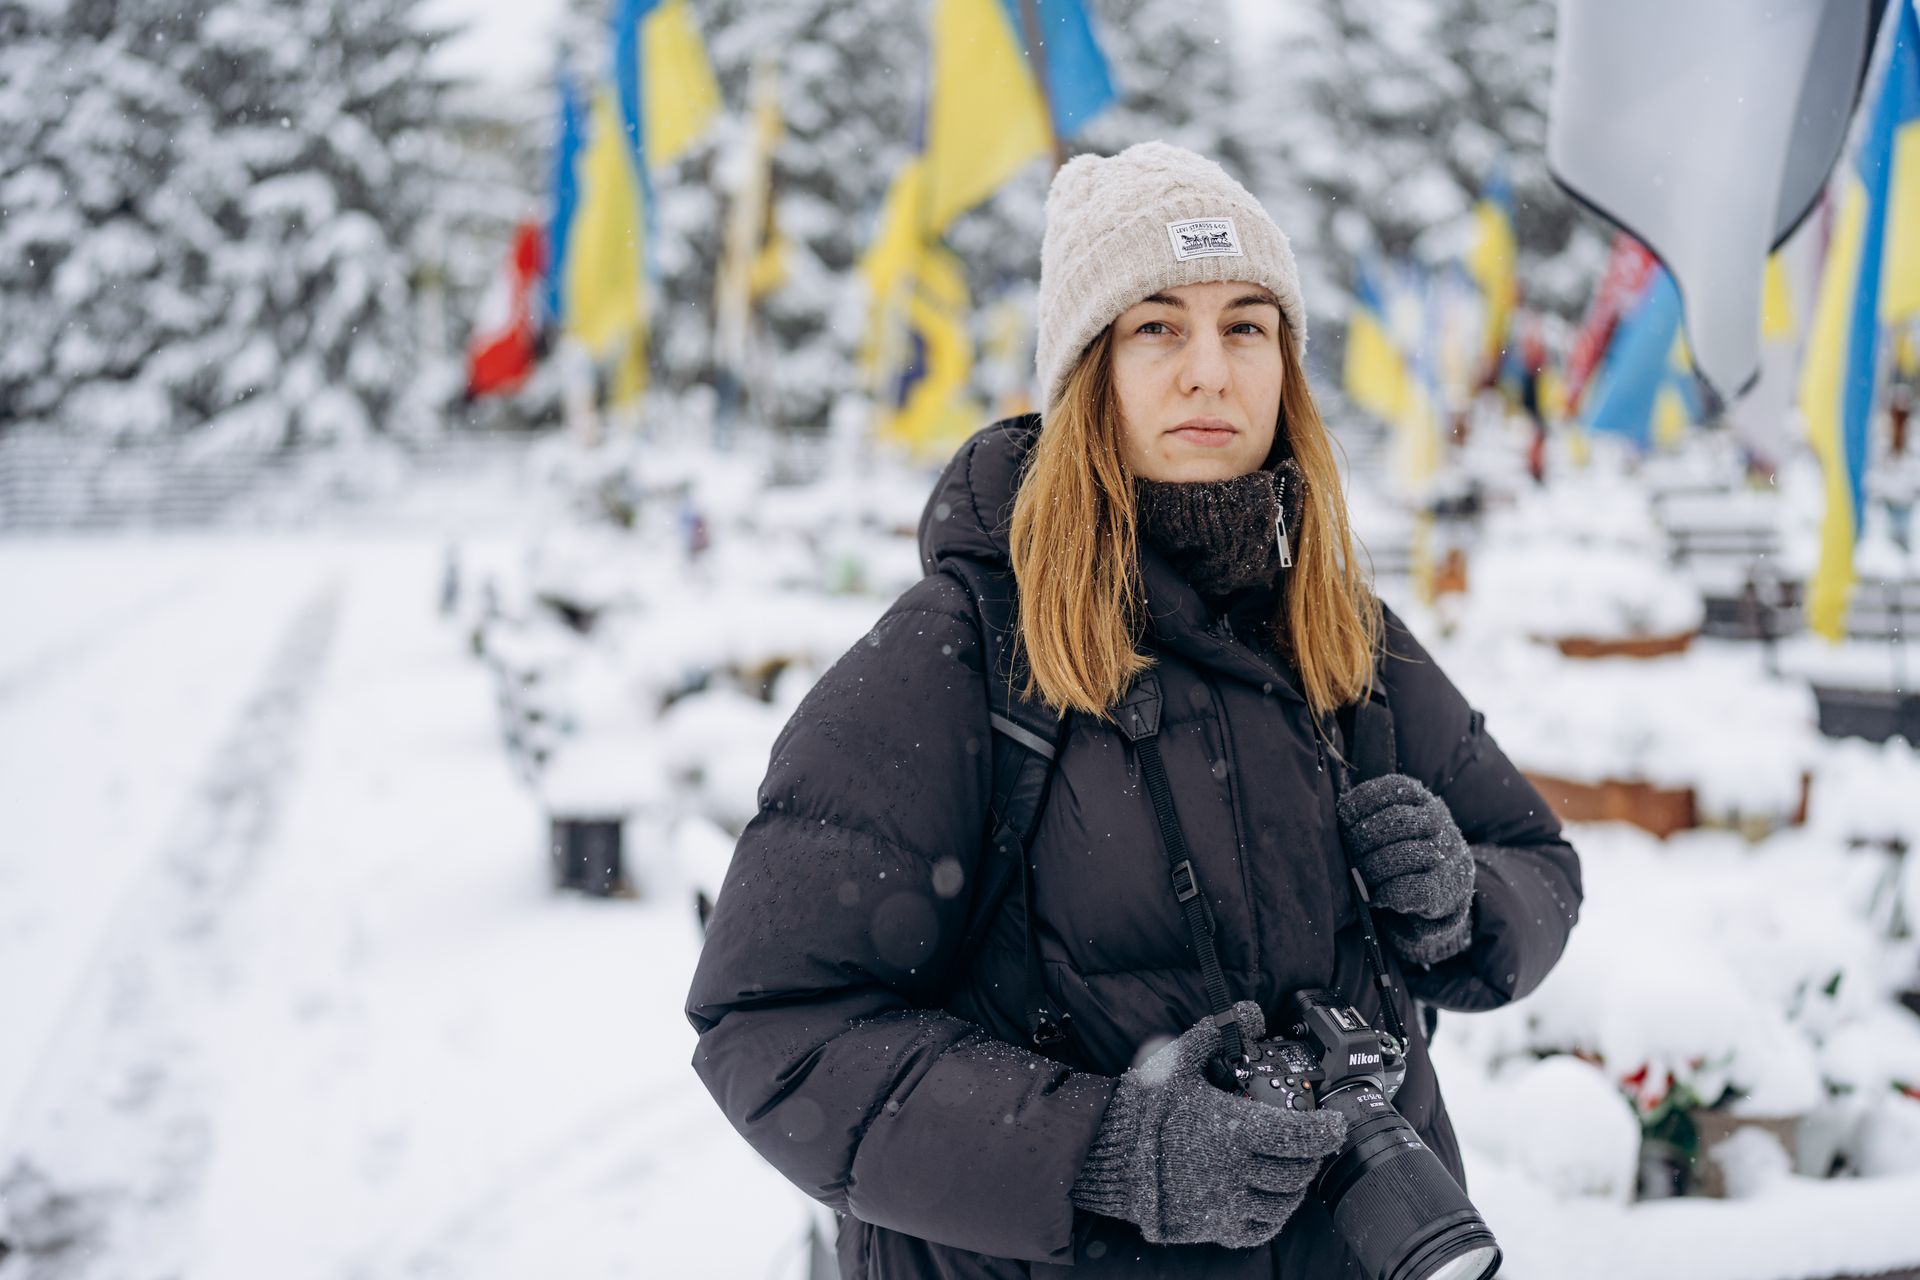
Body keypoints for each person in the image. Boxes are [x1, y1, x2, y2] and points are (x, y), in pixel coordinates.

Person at [685, 141, 1582, 1278]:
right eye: (1158, 326)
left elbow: (1539, 860)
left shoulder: (1343, 634)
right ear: (1085, 373)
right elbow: (772, 1024)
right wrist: (1105, 1152)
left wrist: (1460, 904)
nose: (1210, 370)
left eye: (1246, 325)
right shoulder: (960, 650)